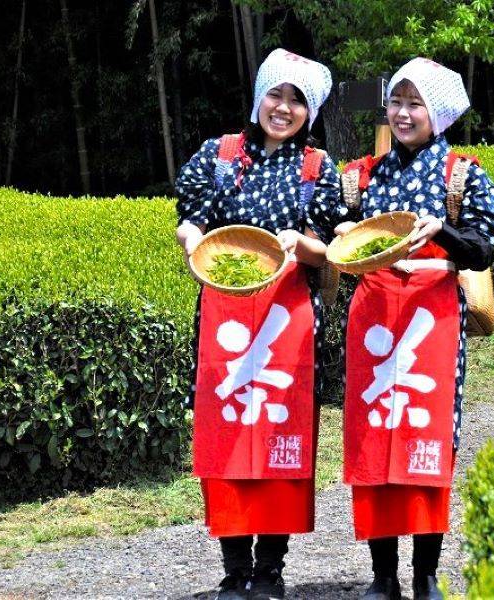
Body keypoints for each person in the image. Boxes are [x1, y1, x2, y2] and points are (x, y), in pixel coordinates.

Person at [309, 57, 494, 600]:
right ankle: (381, 576)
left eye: (415, 103)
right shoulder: (358, 177)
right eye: (396, 101)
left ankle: (424, 575)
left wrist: (443, 230)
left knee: (427, 442)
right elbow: (321, 228)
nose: (402, 113)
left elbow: (485, 247)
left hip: (433, 317)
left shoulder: (461, 175)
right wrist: (342, 229)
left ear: (437, 113)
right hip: (373, 314)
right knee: (375, 440)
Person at [174, 48, 338, 600]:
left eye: (297, 100)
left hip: (287, 323)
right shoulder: (217, 156)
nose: (283, 108)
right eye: (276, 94)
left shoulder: (317, 168)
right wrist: (192, 239)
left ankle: (269, 568)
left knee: (278, 442)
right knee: (227, 440)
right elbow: (191, 220)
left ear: (309, 112)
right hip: (224, 319)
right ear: (258, 97)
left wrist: (302, 244)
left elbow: (331, 248)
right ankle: (232, 569)